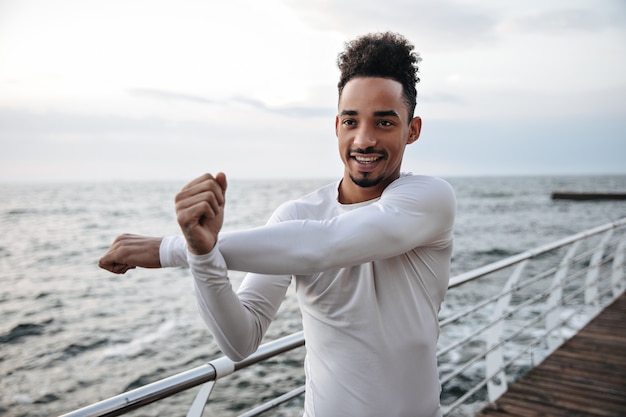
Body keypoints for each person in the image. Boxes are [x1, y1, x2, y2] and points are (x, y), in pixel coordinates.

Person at [99, 31, 456, 417]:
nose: (364, 139)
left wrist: (167, 249)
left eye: (385, 122)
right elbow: (241, 340)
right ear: (337, 125)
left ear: (412, 130)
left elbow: (327, 243)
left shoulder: (430, 199)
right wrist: (201, 254)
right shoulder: (295, 216)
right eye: (351, 121)